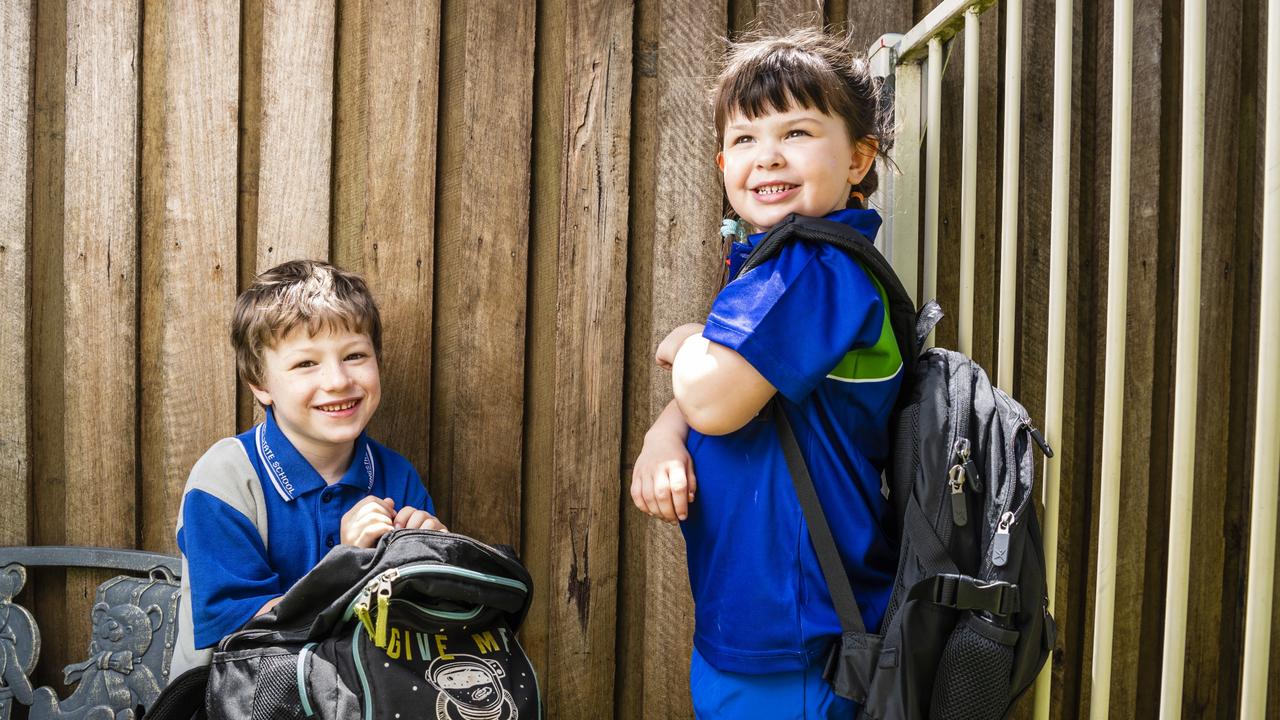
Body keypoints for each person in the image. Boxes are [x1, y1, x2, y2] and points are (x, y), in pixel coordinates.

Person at [630, 29, 903, 719]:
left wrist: (687, 340)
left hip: (796, 630)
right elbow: (742, 387)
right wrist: (664, 436)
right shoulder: (779, 265)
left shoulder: (814, 269)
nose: (767, 155)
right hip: (753, 615)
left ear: (858, 159)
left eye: (799, 131)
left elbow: (718, 398)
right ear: (723, 162)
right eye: (745, 138)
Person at [171, 260, 445, 676]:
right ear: (260, 383)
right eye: (306, 364)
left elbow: (419, 628)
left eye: (355, 355)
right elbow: (246, 636)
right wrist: (348, 564)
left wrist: (435, 562)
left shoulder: (397, 476)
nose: (337, 380)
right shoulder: (224, 480)